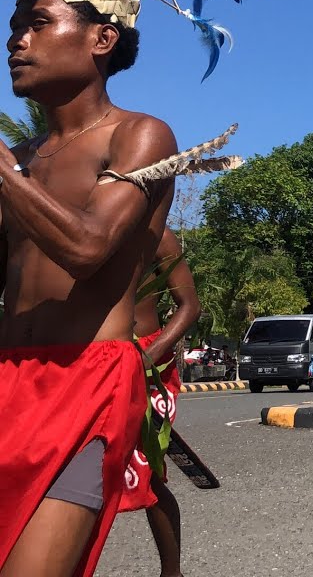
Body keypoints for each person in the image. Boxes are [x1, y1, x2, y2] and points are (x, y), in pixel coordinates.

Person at [1, 0, 179, 576]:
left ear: (101, 38)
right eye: (15, 25)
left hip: (87, 385)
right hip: (7, 382)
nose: (14, 39)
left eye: (38, 22)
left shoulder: (140, 137)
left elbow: (88, 248)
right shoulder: (23, 160)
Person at [117, 228, 200, 577]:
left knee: (146, 474)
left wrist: (146, 359)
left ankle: (172, 572)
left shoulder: (156, 236)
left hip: (147, 363)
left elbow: (190, 306)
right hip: (91, 361)